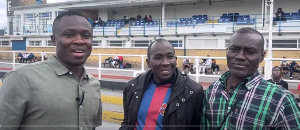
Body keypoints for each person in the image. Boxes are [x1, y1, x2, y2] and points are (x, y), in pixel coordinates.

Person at [0, 11, 102, 130]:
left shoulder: (94, 85)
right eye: (69, 34)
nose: (79, 40)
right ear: (54, 39)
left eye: (86, 35)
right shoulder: (21, 78)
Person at [202, 27, 300, 129]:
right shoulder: (212, 90)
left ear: (262, 56)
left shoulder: (281, 99)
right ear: (227, 52)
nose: (240, 56)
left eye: (250, 51)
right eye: (234, 49)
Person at [120, 39, 204, 130]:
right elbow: (127, 122)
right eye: (158, 58)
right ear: (148, 62)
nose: (165, 62)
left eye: (170, 57)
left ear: (175, 60)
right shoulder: (132, 87)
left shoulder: (193, 91)